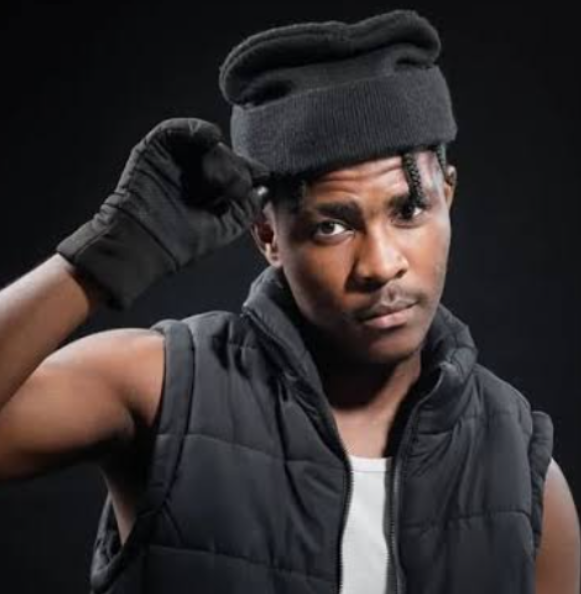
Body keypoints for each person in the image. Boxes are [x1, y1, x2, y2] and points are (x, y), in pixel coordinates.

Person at [0, 9, 578, 594]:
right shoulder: (164, 387)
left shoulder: (522, 470)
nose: (381, 264)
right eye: (331, 226)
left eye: (409, 210)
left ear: (446, 197)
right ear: (268, 236)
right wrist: (102, 260)